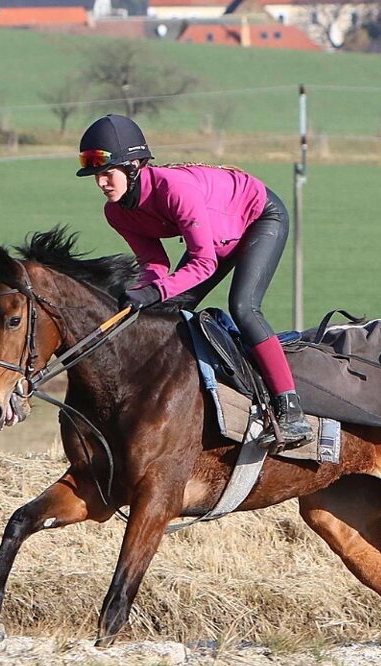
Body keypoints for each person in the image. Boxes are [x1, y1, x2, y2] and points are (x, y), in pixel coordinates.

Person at [76, 113, 314, 452]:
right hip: (216, 238)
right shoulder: (115, 212)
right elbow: (154, 263)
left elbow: (203, 263)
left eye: (107, 172)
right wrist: (138, 292)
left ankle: (290, 409)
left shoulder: (175, 189)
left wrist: (154, 291)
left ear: (135, 166)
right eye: (96, 175)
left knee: (244, 307)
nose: (101, 182)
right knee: (169, 313)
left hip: (260, 218)